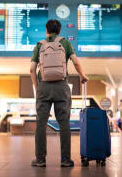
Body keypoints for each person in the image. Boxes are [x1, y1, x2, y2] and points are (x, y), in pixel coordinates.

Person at [30, 19, 88, 167]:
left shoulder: (39, 45)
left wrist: (37, 86)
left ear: (47, 30)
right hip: (62, 86)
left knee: (41, 123)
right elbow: (75, 62)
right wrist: (82, 75)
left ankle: (40, 159)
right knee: (64, 123)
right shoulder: (66, 43)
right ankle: (65, 159)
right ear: (59, 31)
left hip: (43, 86)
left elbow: (31, 69)